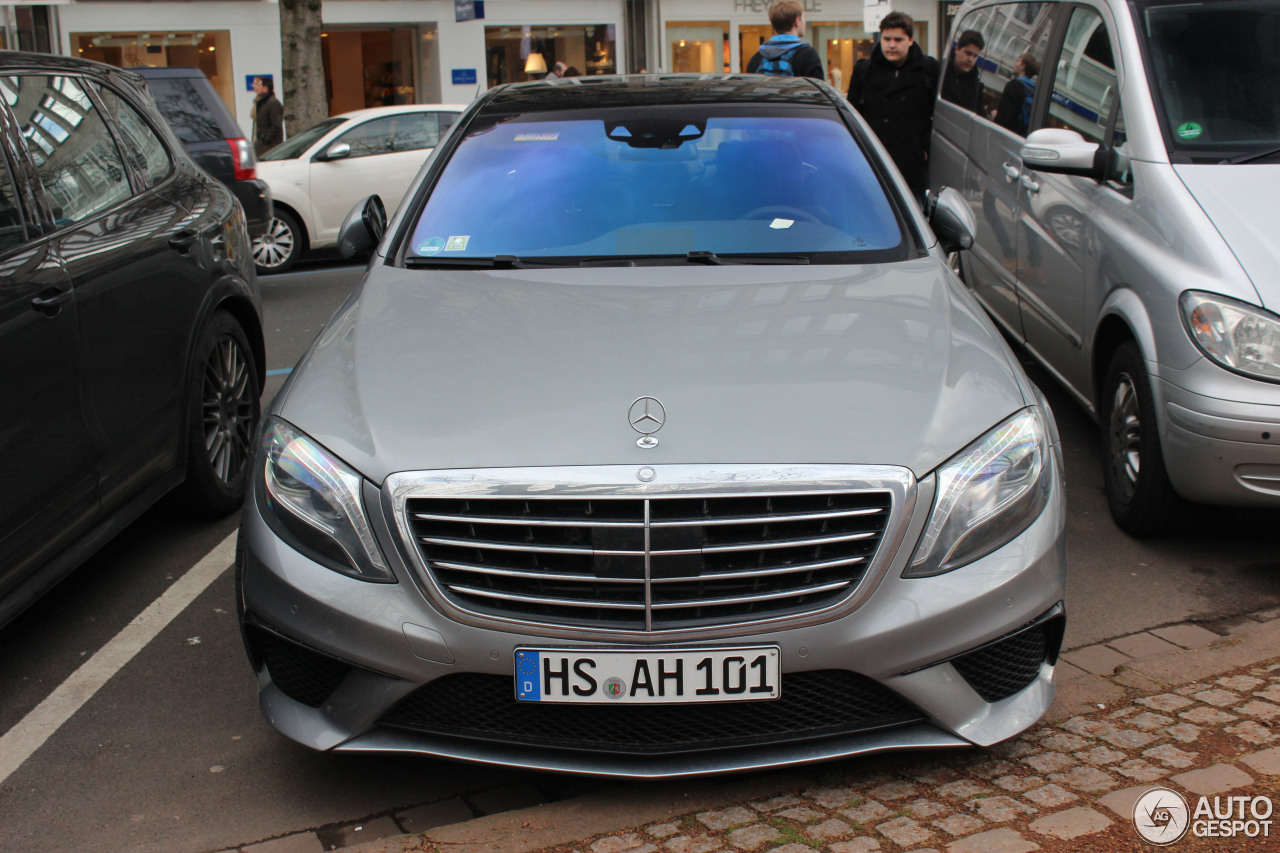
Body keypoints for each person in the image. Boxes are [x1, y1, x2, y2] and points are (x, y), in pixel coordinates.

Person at [848, 11, 940, 200]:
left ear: (911, 39)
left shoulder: (928, 70)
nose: (891, 45)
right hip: (873, 166)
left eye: (898, 39)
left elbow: (940, 119)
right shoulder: (864, 71)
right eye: (887, 39)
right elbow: (852, 118)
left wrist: (926, 147)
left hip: (912, 168)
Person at [745, 0, 824, 80]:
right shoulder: (808, 55)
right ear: (797, 21)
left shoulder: (757, 58)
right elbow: (818, 90)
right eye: (803, 17)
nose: (805, 22)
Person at [993, 53, 1040, 135]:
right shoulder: (1034, 90)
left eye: (1018, 61)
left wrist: (995, 116)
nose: (1014, 64)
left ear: (1023, 66)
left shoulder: (1014, 85)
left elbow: (1004, 117)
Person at [940, 30, 985, 113]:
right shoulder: (940, 70)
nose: (971, 59)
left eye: (975, 56)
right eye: (968, 53)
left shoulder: (976, 87)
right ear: (957, 49)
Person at [251, 76, 283, 157]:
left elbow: (276, 125)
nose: (255, 87)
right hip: (262, 146)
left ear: (265, 88)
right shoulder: (261, 103)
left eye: (258, 85)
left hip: (269, 148)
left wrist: (265, 138)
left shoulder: (273, 103)